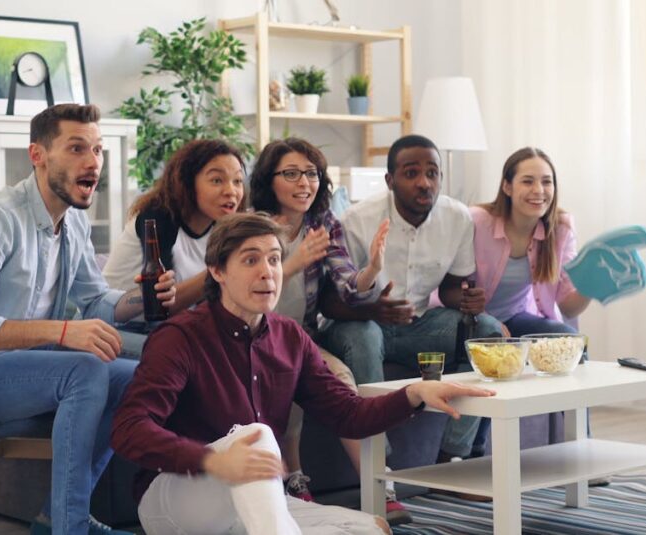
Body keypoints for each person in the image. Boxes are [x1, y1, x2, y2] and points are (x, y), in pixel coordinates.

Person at [111, 212, 494, 534]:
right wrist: (212, 460)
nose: (268, 272)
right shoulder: (179, 337)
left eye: (275, 259)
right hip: (177, 495)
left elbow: (347, 413)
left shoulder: (289, 337)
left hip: (260, 504)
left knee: (371, 528)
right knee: (256, 436)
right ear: (217, 271)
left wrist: (414, 394)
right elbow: (129, 429)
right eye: (250, 260)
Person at [0, 104, 177, 535]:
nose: (92, 162)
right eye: (76, 148)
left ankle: (54, 520)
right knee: (86, 369)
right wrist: (65, 333)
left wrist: (139, 296)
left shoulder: (73, 223)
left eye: (97, 149)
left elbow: (94, 302)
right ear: (38, 155)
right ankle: (70, 528)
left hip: (23, 368)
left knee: (135, 377)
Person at [317, 134, 505, 463]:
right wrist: (373, 310)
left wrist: (467, 301)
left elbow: (450, 289)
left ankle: (453, 456)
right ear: (390, 180)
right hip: (358, 324)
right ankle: (379, 460)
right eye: (411, 173)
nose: (424, 183)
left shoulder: (457, 218)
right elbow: (327, 303)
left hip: (418, 325)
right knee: (364, 336)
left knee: (488, 332)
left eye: (433, 173)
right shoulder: (357, 221)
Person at [249, 138, 407, 519]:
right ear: (269, 180)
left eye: (311, 173)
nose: (304, 182)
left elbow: (348, 284)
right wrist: (291, 261)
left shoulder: (322, 224)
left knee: (341, 379)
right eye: (291, 174)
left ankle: (376, 484)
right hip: (252, 335)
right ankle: (294, 479)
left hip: (301, 336)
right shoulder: (250, 225)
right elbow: (244, 291)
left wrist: (370, 268)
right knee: (286, 378)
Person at [103, 139, 246, 310]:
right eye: (216, 180)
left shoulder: (220, 227)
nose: (231, 191)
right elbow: (162, 305)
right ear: (188, 183)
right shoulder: (156, 217)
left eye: (237, 181)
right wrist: (221, 270)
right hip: (118, 324)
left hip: (173, 326)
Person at [472, 146, 590, 337]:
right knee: (491, 333)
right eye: (527, 181)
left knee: (569, 339)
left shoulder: (561, 228)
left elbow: (568, 307)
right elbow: (455, 290)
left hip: (514, 317)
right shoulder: (477, 222)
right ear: (507, 187)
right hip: (468, 316)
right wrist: (489, 322)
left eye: (547, 182)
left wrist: (592, 283)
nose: (538, 190)